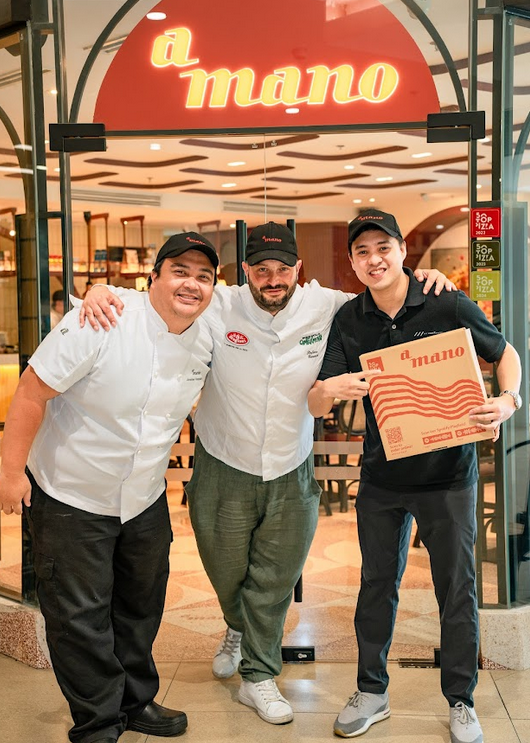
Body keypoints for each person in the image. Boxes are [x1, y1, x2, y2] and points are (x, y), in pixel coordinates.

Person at [80, 221, 454, 727]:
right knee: (226, 571)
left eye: (282, 269)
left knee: (274, 581)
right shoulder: (218, 302)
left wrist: (428, 276)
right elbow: (157, 296)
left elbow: (385, 290)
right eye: (261, 269)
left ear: (299, 270)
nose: (272, 278)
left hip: (290, 467)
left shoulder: (328, 306)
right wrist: (99, 288)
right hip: (223, 464)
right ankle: (237, 627)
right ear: (246, 273)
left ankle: (259, 674)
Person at [307, 210, 522, 743]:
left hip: (449, 476)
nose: (373, 259)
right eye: (361, 252)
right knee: (377, 585)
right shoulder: (350, 320)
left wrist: (508, 400)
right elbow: (316, 397)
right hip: (382, 476)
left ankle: (461, 699)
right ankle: (372, 691)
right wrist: (336, 390)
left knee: (457, 588)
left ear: (402, 250)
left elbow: (506, 353)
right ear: (353, 263)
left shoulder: (445, 301)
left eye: (383, 247)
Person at [0, 232, 219, 743]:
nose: (191, 284)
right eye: (180, 271)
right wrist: (11, 474)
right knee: (79, 618)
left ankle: (134, 701)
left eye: (204, 276)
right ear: (155, 277)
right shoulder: (101, 319)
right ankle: (98, 722)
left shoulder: (206, 335)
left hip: (143, 497)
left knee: (140, 605)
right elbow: (31, 391)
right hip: (72, 494)